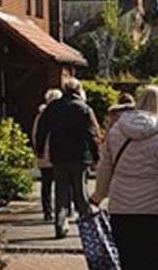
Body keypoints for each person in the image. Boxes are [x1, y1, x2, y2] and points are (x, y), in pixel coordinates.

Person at [90, 85, 158, 270]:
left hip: (121, 209)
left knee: (127, 264)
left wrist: (98, 196)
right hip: (156, 210)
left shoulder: (117, 130)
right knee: (153, 264)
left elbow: (105, 168)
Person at [35, 77, 99, 239]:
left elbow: (42, 129)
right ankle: (88, 228)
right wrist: (95, 157)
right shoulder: (84, 109)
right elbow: (91, 135)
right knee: (81, 193)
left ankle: (60, 224)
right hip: (79, 156)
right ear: (79, 91)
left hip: (59, 156)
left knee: (61, 192)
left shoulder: (53, 107)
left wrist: (40, 150)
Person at [31, 88, 62, 221]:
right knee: (62, 184)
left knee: (46, 184)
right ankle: (63, 210)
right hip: (59, 155)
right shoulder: (62, 115)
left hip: (44, 155)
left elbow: (35, 135)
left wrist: (39, 150)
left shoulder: (41, 116)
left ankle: (47, 211)